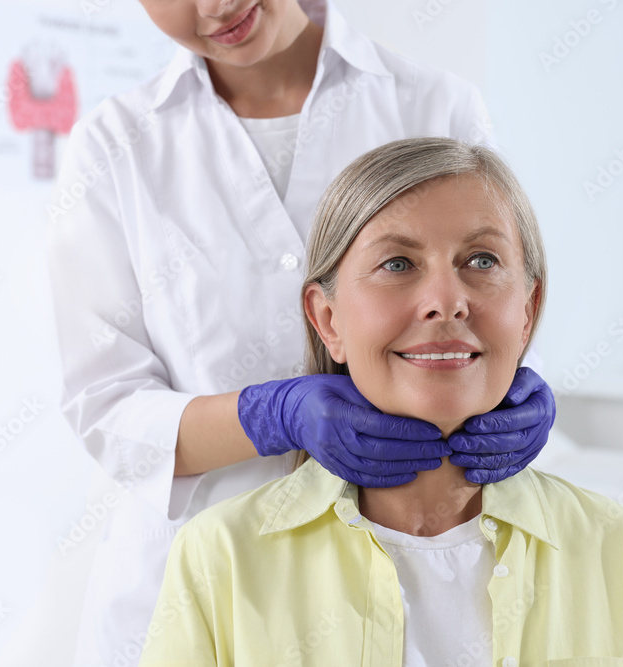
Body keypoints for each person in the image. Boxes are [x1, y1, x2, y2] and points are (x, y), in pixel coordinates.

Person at [46, 1, 556, 665]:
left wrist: (524, 384)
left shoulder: (434, 105)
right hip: (193, 595)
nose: (216, 7)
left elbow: (494, 292)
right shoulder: (116, 146)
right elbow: (104, 403)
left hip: (410, 584)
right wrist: (272, 415)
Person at [137, 137, 623, 666]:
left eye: (482, 260)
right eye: (398, 264)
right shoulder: (222, 561)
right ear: (327, 319)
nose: (446, 302)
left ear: (527, 311)